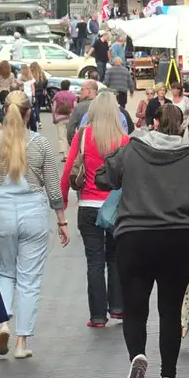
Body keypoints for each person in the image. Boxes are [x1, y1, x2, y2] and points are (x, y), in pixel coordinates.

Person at [96, 103, 189, 378]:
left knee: (136, 308)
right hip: (175, 240)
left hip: (133, 239)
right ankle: (169, 377)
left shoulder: (133, 150)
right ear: (182, 126)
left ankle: (138, 357)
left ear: (153, 122)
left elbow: (104, 176)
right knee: (170, 310)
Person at [0, 92, 67, 360]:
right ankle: (22, 342)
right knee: (29, 279)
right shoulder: (42, 144)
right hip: (33, 213)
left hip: (1, 211)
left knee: (3, 272)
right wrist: (61, 220)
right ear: (28, 114)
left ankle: (3, 323)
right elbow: (52, 186)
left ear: (3, 112)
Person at [60, 91, 129, 327]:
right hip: (116, 208)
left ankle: (98, 316)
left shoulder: (83, 136)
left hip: (88, 205)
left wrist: (63, 204)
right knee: (116, 258)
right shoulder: (124, 140)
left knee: (94, 261)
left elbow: (69, 170)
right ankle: (118, 307)